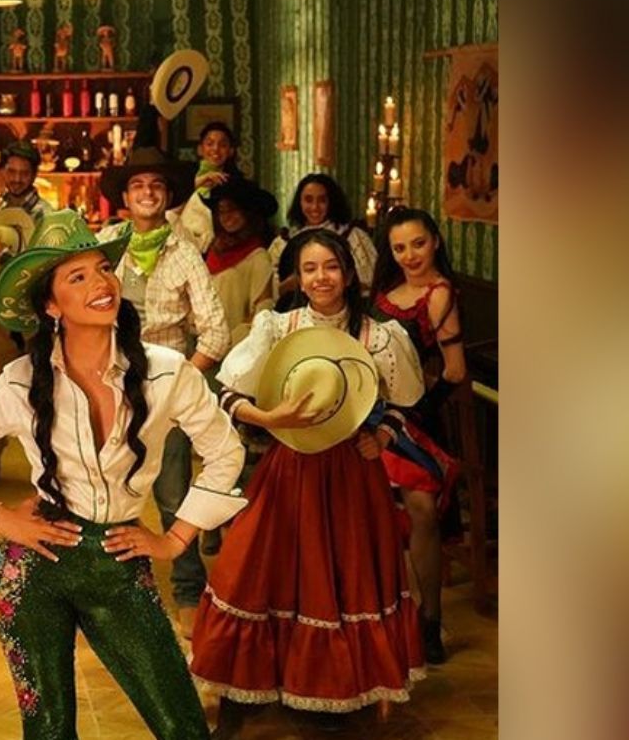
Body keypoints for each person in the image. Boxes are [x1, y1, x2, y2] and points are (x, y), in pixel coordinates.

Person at [0, 210, 247, 739]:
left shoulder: (167, 372)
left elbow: (226, 453)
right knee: (49, 729)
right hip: (32, 569)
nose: (101, 283)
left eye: (104, 269)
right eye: (78, 276)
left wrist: (175, 539)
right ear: (51, 306)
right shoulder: (22, 380)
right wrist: (2, 518)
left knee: (182, 724)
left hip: (118, 563)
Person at [190, 228, 427, 736]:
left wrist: (383, 436)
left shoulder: (379, 336)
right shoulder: (279, 328)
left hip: (352, 475)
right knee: (253, 568)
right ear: (298, 276)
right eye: (311, 268)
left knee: (345, 576)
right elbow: (228, 392)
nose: (322, 278)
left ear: (349, 273)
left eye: (332, 267)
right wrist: (269, 418)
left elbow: (405, 400)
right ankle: (242, 686)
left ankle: (339, 693)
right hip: (290, 468)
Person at [96, 109, 230, 641]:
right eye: (138, 186)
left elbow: (215, 333)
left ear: (167, 195)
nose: (147, 193)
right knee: (106, 491)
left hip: (168, 394)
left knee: (173, 495)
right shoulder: (106, 245)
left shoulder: (185, 253)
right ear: (125, 198)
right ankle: (112, 592)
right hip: (108, 386)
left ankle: (189, 591)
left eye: (156, 185)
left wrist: (177, 383)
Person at [369, 206, 468, 665]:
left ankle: (430, 620)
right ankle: (376, 615)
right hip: (370, 415)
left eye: (418, 244)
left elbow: (455, 371)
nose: (410, 255)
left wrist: (408, 416)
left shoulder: (439, 294)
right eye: (399, 247)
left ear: (436, 242)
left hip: (417, 422)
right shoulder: (385, 291)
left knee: (422, 509)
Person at [0, 139, 50, 482]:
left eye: (24, 172)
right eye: (11, 171)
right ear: (2, 171)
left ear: (33, 174)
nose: (17, 178)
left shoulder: (46, 214)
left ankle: (53, 472)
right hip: (1, 313)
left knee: (46, 393)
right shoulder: (0, 208)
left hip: (37, 317)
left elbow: (47, 264)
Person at [273, 173, 379, 305]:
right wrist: (290, 284)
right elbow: (270, 292)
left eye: (322, 200)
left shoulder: (353, 236)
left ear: (331, 202)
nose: (315, 207)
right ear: (299, 202)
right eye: (308, 200)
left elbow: (372, 283)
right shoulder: (283, 241)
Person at [205, 177, 277, 344]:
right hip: (204, 342)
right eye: (221, 211)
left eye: (233, 210)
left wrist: (230, 344)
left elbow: (261, 314)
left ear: (247, 212)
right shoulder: (213, 249)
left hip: (235, 347)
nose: (226, 217)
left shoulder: (258, 257)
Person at [172, 121, 243, 253]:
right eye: (210, 144)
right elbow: (170, 206)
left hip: (215, 249)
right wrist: (199, 182)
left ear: (231, 151)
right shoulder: (185, 175)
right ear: (200, 149)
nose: (215, 149)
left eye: (222, 145)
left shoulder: (235, 183)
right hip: (179, 244)